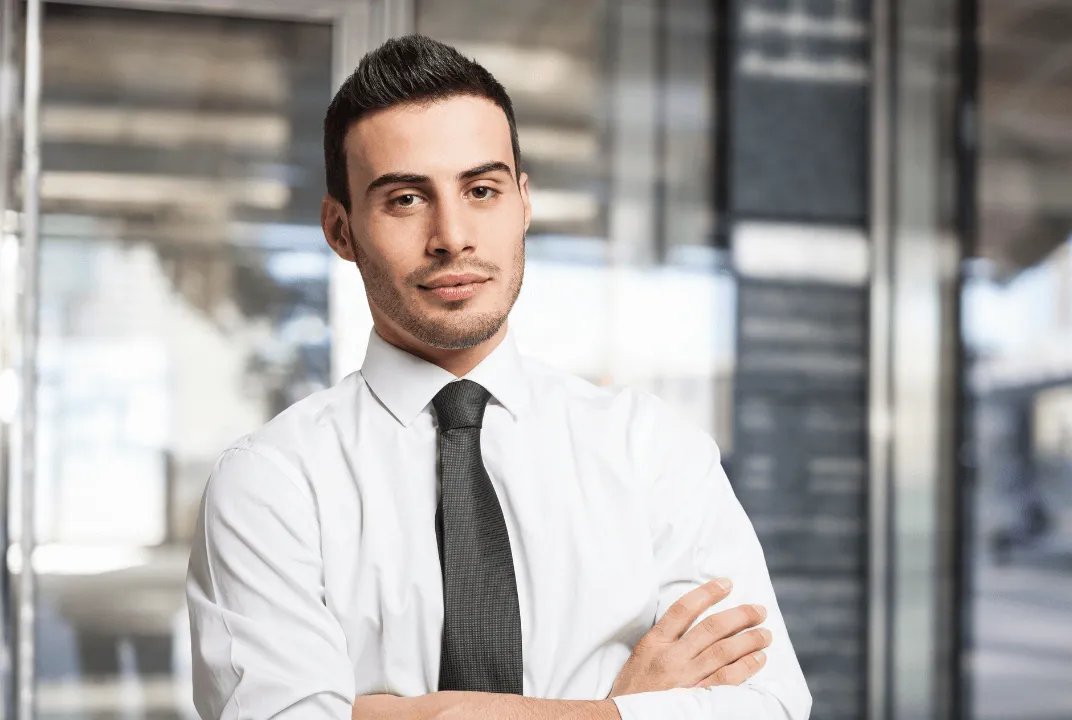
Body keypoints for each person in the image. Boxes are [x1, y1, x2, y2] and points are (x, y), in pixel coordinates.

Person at [186, 34, 811, 720]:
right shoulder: (272, 480)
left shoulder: (650, 450)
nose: (452, 235)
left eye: (481, 190)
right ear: (341, 230)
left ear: (523, 202)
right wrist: (616, 711)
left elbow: (769, 704)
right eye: (404, 199)